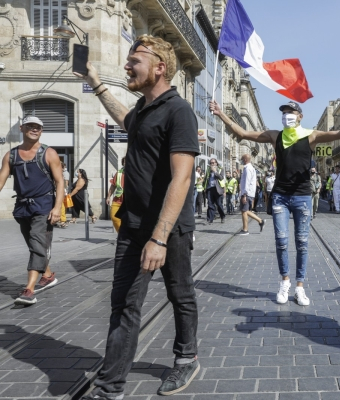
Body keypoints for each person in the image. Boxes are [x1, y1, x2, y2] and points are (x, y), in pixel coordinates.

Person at [74, 34, 200, 398]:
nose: (128, 65)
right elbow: (126, 119)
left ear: (160, 68)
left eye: (136, 60)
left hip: (168, 228)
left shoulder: (179, 111)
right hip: (132, 224)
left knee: (180, 293)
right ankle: (110, 385)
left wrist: (159, 237)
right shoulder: (144, 110)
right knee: (125, 303)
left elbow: (183, 176)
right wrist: (95, 82)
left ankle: (186, 358)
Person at [210, 96, 340, 306]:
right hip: (280, 196)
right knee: (281, 241)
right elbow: (243, 133)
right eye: (284, 113)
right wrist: (220, 114)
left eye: (290, 113)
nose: (286, 116)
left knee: (302, 243)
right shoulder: (275, 136)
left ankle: (299, 287)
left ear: (300, 117)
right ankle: (285, 282)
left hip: (302, 196)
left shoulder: (311, 136)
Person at [0, 115, 63, 305]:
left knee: (37, 244)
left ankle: (29, 289)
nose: (34, 129)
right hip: (22, 208)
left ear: (41, 131)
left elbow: (60, 182)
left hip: (44, 206)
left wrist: (57, 207)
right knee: (34, 245)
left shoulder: (49, 153)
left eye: (38, 127)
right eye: (30, 126)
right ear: (22, 128)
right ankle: (49, 275)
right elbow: (1, 179)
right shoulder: (10, 155)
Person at [237, 154, 265, 235]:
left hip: (247, 193)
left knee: (244, 211)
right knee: (245, 211)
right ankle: (259, 221)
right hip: (249, 193)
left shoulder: (248, 169)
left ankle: (246, 229)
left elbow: (247, 182)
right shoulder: (251, 168)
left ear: (245, 159)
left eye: (242, 158)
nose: (241, 160)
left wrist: (244, 194)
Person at [202, 158, 226, 224]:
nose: (212, 164)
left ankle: (222, 216)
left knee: (219, 204)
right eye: (211, 163)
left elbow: (221, 178)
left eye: (213, 163)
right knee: (210, 204)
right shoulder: (208, 170)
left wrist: (215, 171)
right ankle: (210, 219)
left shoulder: (221, 169)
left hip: (217, 189)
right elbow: (206, 179)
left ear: (216, 163)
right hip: (210, 189)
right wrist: (205, 188)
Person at [106, 157, 125, 232]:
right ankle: (122, 234)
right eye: (125, 162)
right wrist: (108, 197)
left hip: (130, 201)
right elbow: (113, 186)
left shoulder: (136, 172)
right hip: (118, 200)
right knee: (114, 217)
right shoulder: (119, 173)